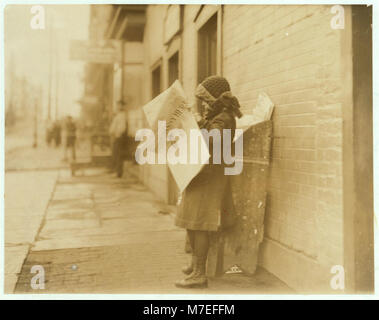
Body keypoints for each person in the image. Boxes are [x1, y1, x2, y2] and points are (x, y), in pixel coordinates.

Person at [174, 76, 243, 289]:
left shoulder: (224, 117)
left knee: (199, 223)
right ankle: (195, 265)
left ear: (214, 99)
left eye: (205, 100)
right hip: (202, 173)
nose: (203, 104)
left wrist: (195, 124)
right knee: (191, 222)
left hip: (210, 176)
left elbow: (213, 139)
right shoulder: (218, 116)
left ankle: (199, 274)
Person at [109, 101, 128, 177]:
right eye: (117, 105)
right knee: (116, 154)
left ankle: (119, 173)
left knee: (118, 154)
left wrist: (118, 133)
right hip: (116, 136)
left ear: (122, 106)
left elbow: (122, 127)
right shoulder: (118, 115)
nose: (118, 107)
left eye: (119, 105)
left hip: (119, 136)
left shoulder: (122, 115)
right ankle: (117, 171)